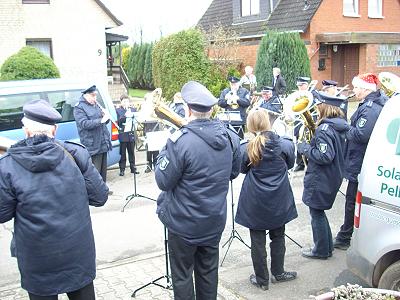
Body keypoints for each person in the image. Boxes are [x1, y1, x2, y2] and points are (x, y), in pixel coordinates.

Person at [0, 99, 109, 300]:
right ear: (55, 129)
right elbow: (100, 196)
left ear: (26, 131)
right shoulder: (75, 153)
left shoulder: (7, 165)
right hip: (76, 255)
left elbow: (2, 213)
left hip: (37, 260)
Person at [155, 81, 241, 300]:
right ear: (211, 109)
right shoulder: (230, 137)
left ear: (188, 109)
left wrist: (164, 152)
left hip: (184, 225)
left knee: (183, 276)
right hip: (213, 222)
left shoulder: (179, 141)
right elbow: (233, 173)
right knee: (208, 273)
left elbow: (163, 181)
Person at [235, 108, 297, 291]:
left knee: (257, 240)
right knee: (278, 236)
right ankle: (278, 273)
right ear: (268, 122)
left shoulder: (247, 146)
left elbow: (242, 169)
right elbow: (291, 164)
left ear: (251, 125)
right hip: (278, 197)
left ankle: (262, 280)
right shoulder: (285, 144)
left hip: (255, 200)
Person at [333, 73, 387, 250]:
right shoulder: (369, 104)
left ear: (365, 89)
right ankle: (348, 233)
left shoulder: (370, 108)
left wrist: (344, 127)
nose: (354, 90)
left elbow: (361, 135)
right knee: (354, 200)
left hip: (360, 161)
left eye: (356, 87)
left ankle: (345, 237)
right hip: (360, 159)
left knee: (352, 201)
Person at [296, 92, 349, 259]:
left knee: (316, 213)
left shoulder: (324, 129)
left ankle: (320, 250)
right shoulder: (338, 125)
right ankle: (326, 248)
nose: (317, 109)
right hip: (332, 175)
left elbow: (325, 156)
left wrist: (304, 148)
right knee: (319, 211)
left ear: (325, 107)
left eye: (319, 106)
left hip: (321, 177)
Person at [73, 85, 112, 183]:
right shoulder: (79, 108)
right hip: (93, 145)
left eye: (95, 96)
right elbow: (84, 124)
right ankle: (96, 192)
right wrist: (101, 120)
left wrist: (106, 117)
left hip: (103, 142)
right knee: (95, 172)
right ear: (86, 95)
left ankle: (103, 189)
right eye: (93, 96)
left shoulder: (96, 105)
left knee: (103, 170)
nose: (95, 98)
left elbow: (103, 122)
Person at [116, 94, 138, 176]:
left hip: (131, 133)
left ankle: (133, 167)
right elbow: (118, 121)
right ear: (121, 102)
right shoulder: (118, 110)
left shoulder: (133, 109)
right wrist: (125, 115)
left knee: (131, 152)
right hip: (123, 134)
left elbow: (136, 118)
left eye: (127, 101)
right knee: (123, 153)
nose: (126, 103)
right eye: (124, 101)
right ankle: (122, 169)